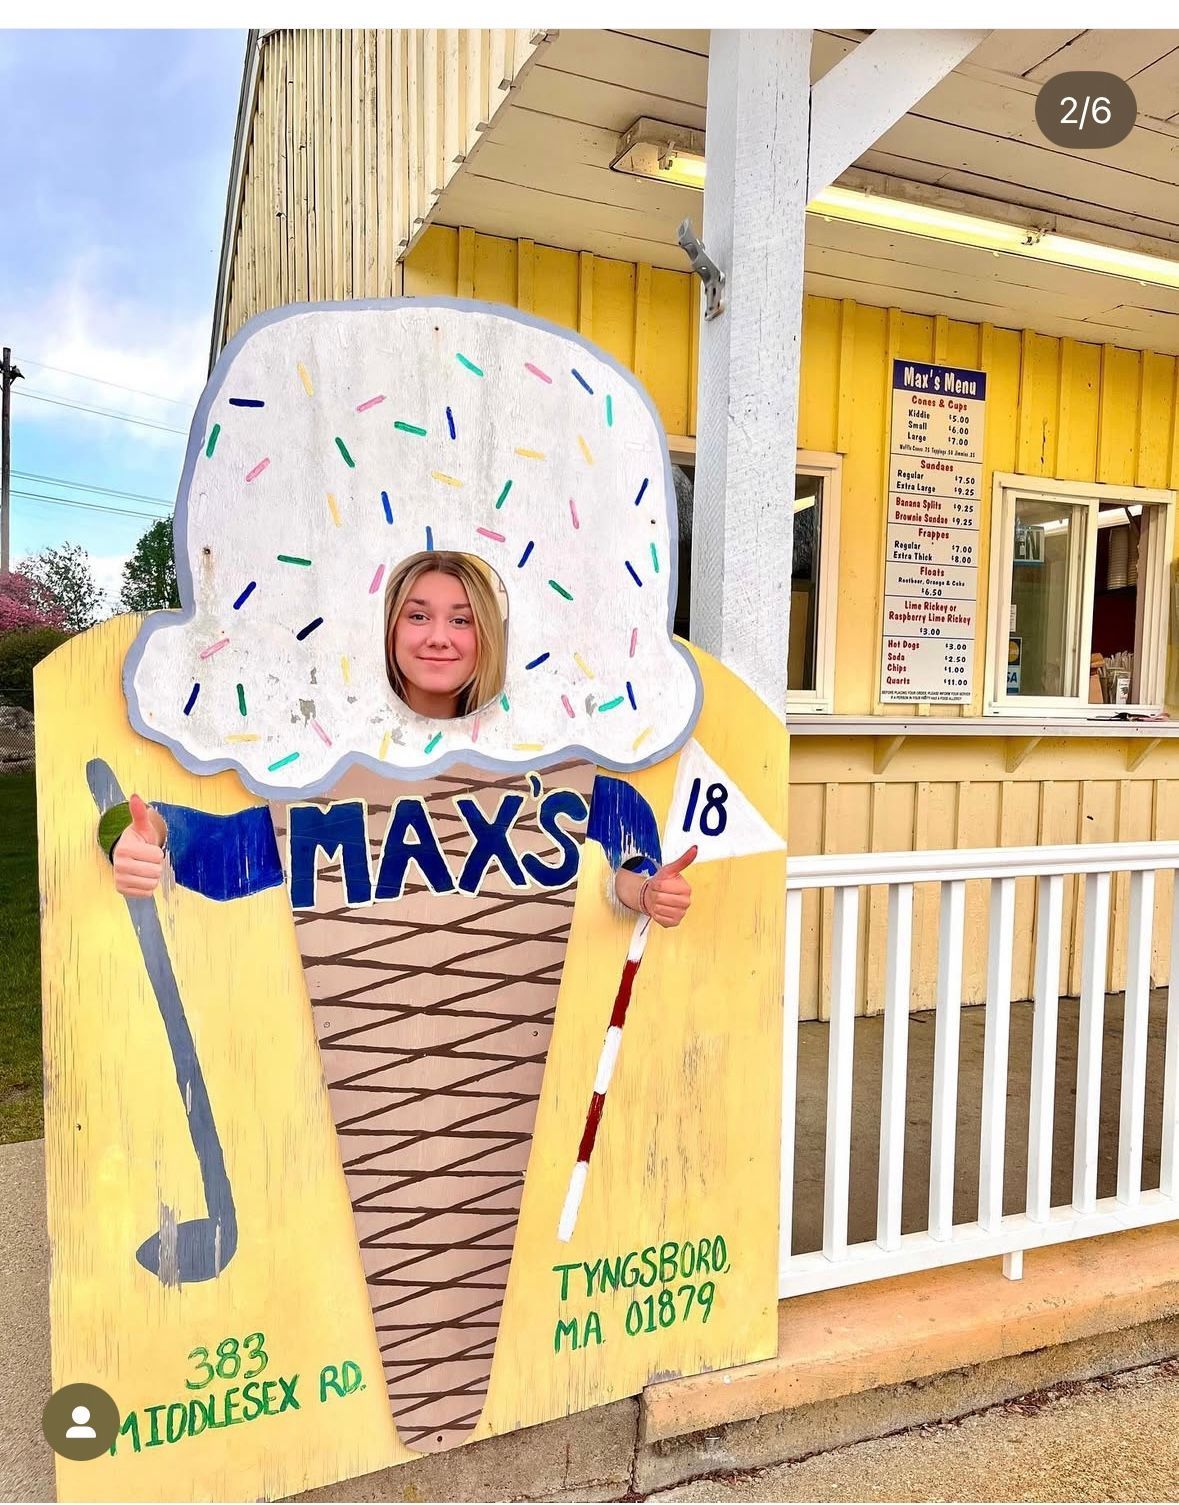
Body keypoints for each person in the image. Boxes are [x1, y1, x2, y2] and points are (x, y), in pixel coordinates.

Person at [108, 550, 695, 926]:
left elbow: (615, 829)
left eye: (461, 619)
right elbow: (234, 850)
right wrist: (147, 834)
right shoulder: (326, 755)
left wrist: (644, 890)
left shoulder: (543, 754)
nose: (439, 637)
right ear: (386, 630)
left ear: (487, 635)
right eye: (418, 616)